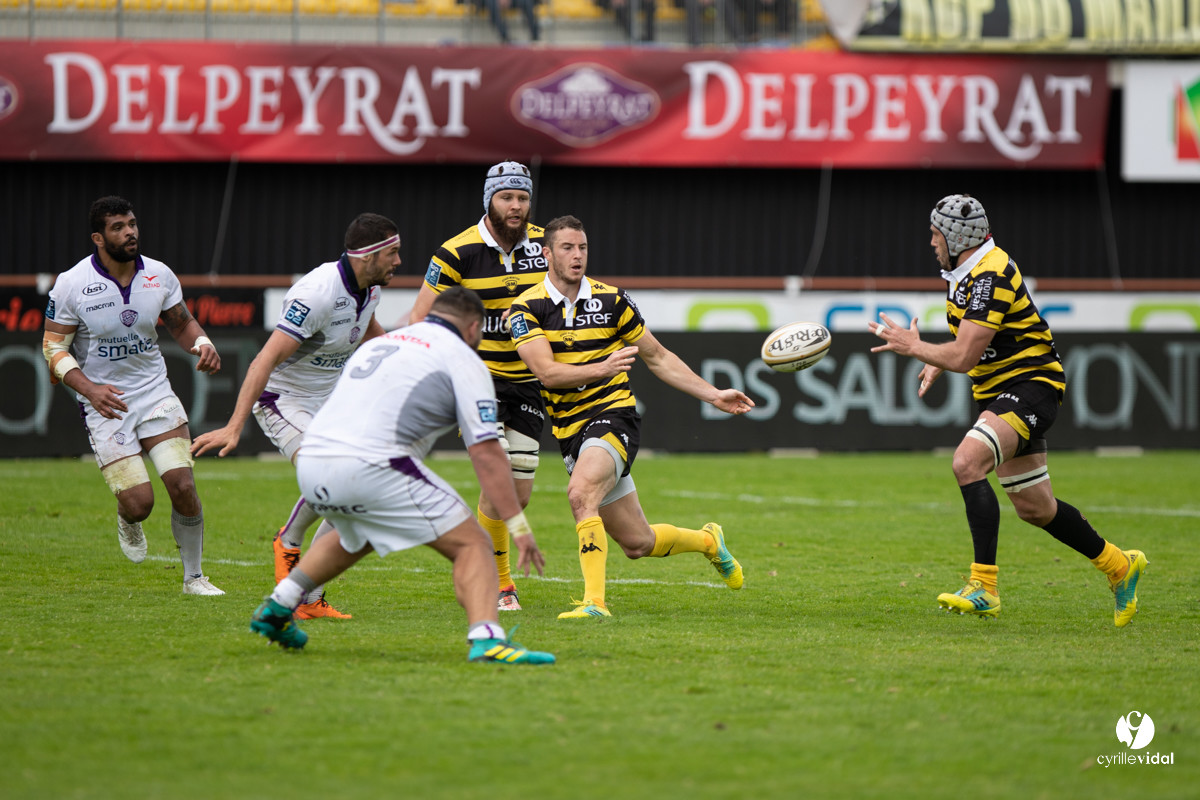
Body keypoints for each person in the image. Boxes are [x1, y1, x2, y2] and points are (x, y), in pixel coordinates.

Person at [868, 194, 1147, 627]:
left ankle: (985, 586)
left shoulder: (990, 274)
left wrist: (914, 346)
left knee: (966, 462)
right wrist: (934, 360)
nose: (931, 241)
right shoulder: (966, 272)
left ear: (957, 237)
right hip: (1001, 390)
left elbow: (963, 356)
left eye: (935, 233)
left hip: (1030, 386)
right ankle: (1118, 565)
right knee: (1036, 508)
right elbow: (972, 345)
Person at [249, 287, 554, 665]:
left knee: (356, 535)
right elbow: (488, 453)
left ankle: (278, 607)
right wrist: (520, 529)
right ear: (474, 328)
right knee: (473, 545)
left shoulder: (385, 342)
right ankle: (487, 639)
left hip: (313, 459)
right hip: (373, 465)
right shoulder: (463, 358)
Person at [508, 215, 755, 620]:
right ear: (546, 253)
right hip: (569, 430)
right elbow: (547, 372)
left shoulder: (612, 300)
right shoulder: (526, 307)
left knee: (580, 493)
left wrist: (713, 395)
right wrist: (603, 367)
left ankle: (594, 603)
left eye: (583, 247)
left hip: (612, 415)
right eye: (567, 248)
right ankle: (709, 542)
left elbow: (657, 356)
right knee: (637, 543)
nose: (577, 255)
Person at [191, 213, 399, 620]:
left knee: (361, 498)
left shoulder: (369, 287)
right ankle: (288, 539)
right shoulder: (318, 293)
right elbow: (265, 358)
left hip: (331, 402)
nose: (399, 261)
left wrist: (407, 357)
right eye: (392, 253)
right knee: (331, 476)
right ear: (367, 256)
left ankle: (309, 598)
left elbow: (369, 329)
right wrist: (235, 426)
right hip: (283, 401)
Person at [42, 196, 224, 595]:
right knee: (141, 503)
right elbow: (53, 348)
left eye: (132, 224)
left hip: (155, 392)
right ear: (98, 237)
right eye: (118, 227)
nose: (130, 233)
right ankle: (128, 516)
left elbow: (181, 323)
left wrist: (203, 342)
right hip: (105, 403)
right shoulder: (71, 284)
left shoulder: (159, 275)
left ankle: (194, 578)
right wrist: (90, 390)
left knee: (183, 486)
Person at [408, 162, 547, 613]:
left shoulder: (547, 245)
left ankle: (489, 562)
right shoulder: (456, 251)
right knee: (498, 473)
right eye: (506, 197)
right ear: (489, 199)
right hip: (478, 380)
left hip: (528, 383)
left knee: (519, 493)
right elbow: (420, 318)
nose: (516, 206)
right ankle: (501, 582)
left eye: (522, 198)